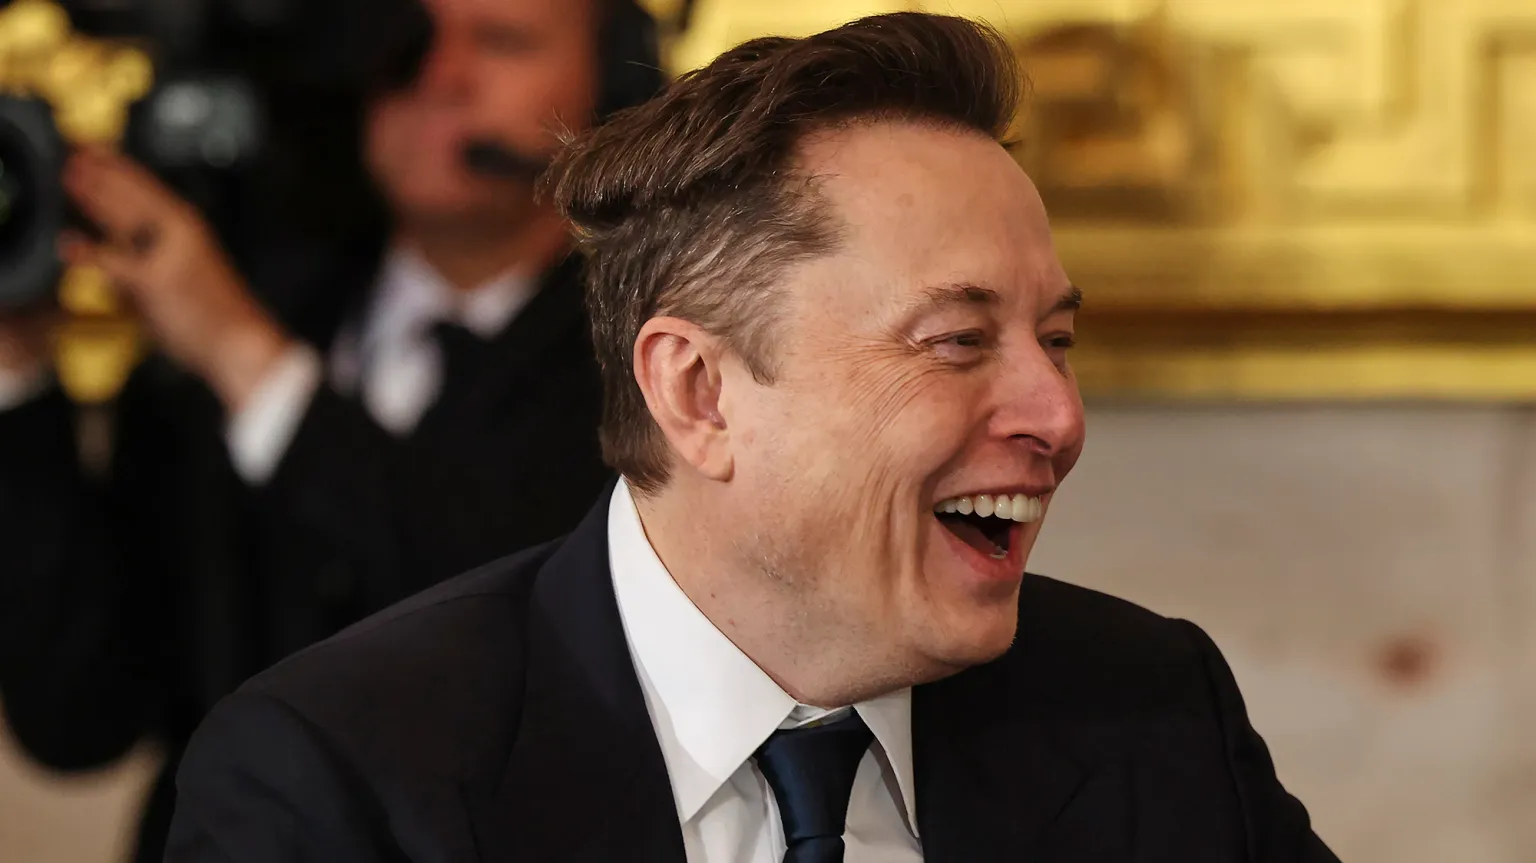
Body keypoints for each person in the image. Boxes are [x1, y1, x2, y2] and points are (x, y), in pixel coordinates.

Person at [164, 12, 1341, 863]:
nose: (1057, 416)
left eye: (1058, 340)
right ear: (699, 391)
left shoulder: (1152, 713)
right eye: (956, 342)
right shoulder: (338, 782)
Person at [0, 1, 661, 861]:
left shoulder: (652, 364)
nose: (440, 75)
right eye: (409, 37)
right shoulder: (249, 308)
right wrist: (17, 369)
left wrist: (249, 362)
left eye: (503, 41)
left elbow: (535, 642)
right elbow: (78, 715)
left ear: (614, 88)